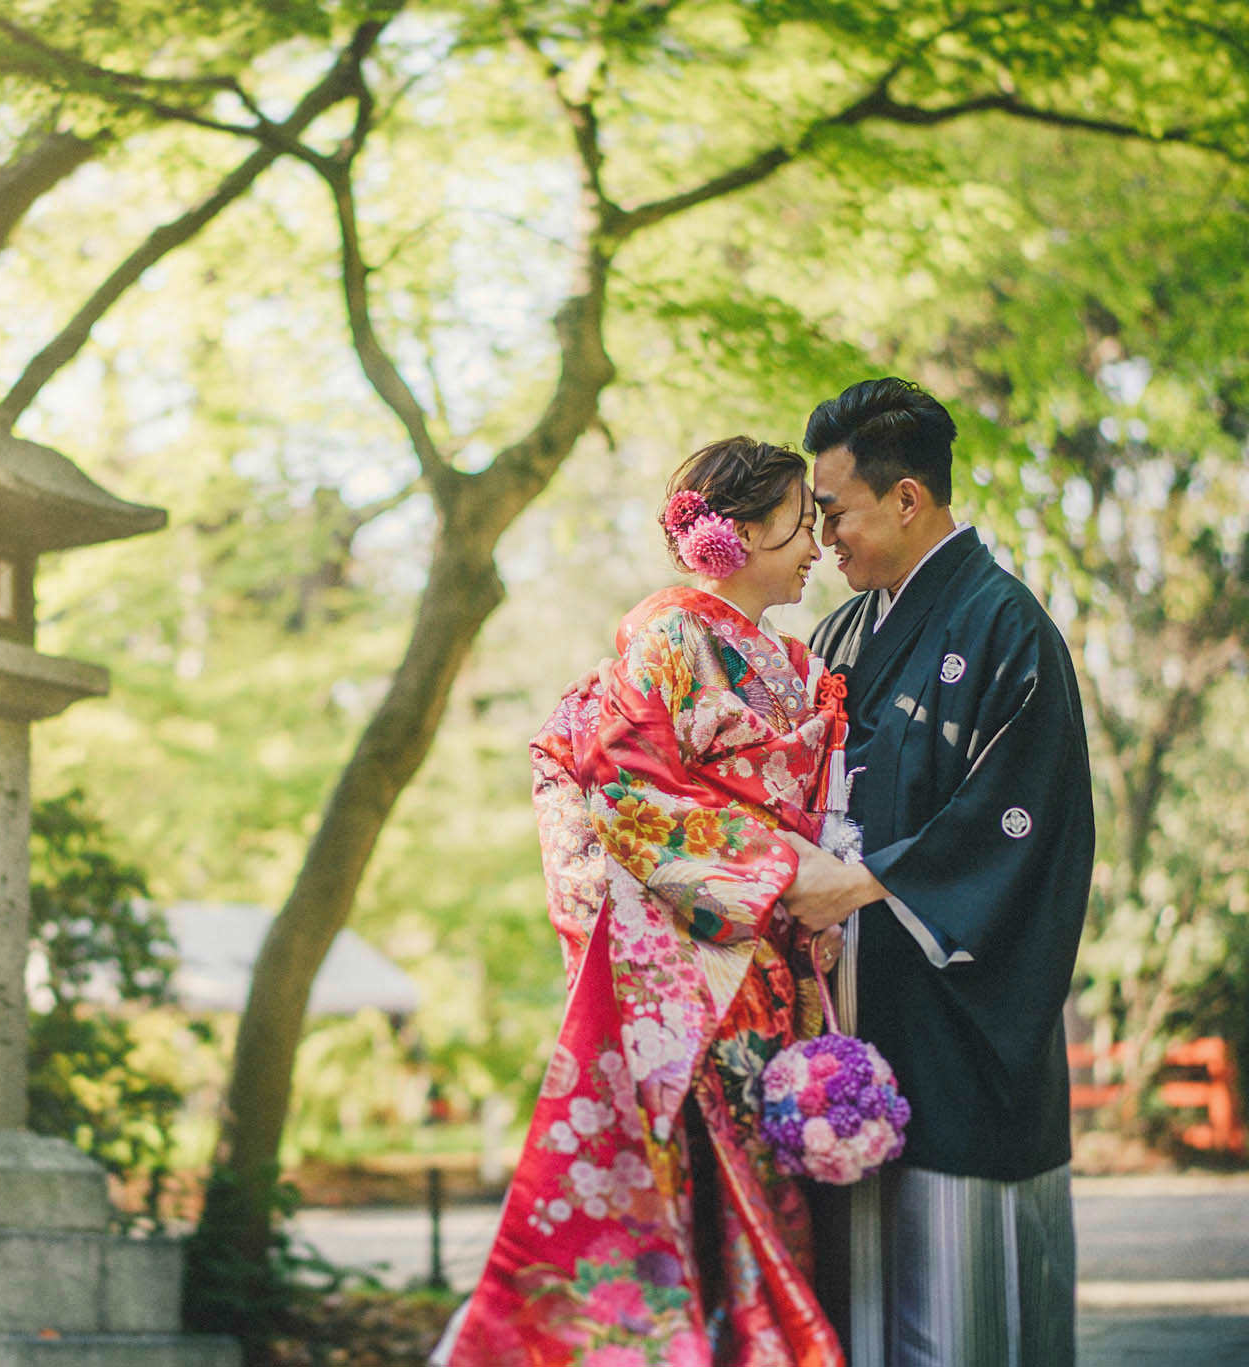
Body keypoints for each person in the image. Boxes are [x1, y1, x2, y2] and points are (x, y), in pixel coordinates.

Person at [444, 437, 849, 1367]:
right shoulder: (669, 632)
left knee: (776, 1195)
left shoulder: (792, 654)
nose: (816, 543)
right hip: (702, 960)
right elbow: (628, 792)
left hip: (774, 956)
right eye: (797, 521)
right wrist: (776, 864)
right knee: (713, 1196)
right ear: (738, 532)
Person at [774, 378, 1094, 1367]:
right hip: (845, 1036)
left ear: (906, 498)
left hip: (952, 1031)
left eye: (831, 512)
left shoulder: (1005, 628)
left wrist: (865, 883)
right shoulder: (834, 637)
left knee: (958, 1322)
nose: (820, 539)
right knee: (854, 1313)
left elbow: (1024, 823)